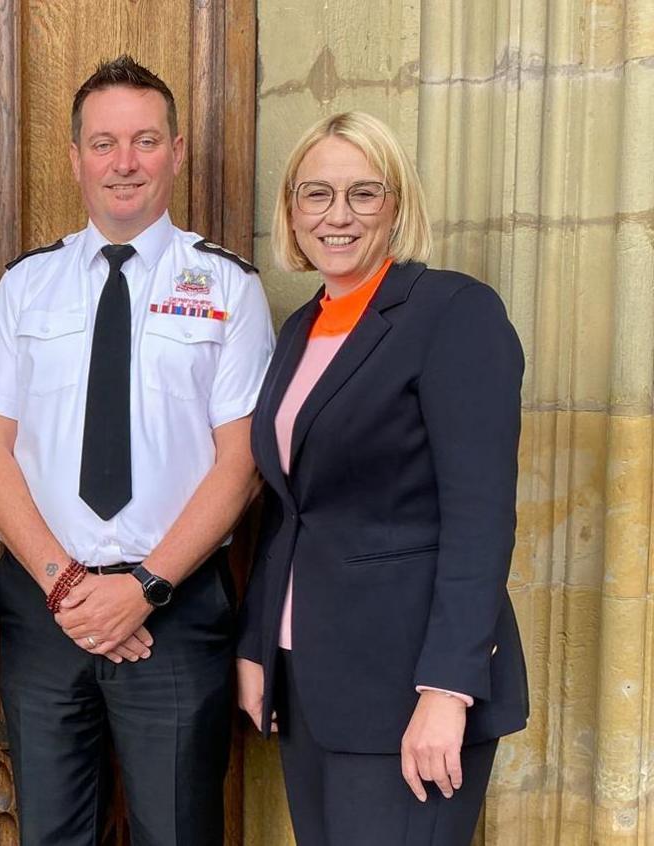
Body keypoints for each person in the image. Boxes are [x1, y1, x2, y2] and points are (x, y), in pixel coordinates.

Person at [0, 55, 274, 845]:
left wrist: (145, 588)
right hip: (44, 610)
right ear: (74, 158)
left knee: (178, 830)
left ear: (174, 151)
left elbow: (242, 462)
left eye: (144, 140)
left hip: (175, 612)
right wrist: (68, 588)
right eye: (103, 143)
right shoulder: (26, 285)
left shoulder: (229, 286)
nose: (123, 162)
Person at [234, 111, 529, 845]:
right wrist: (257, 642)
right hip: (310, 680)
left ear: (397, 206)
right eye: (316, 195)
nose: (338, 215)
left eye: (364, 194)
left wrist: (447, 690)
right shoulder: (303, 328)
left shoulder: (453, 313)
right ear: (292, 212)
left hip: (410, 687)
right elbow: (290, 510)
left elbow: (480, 520)